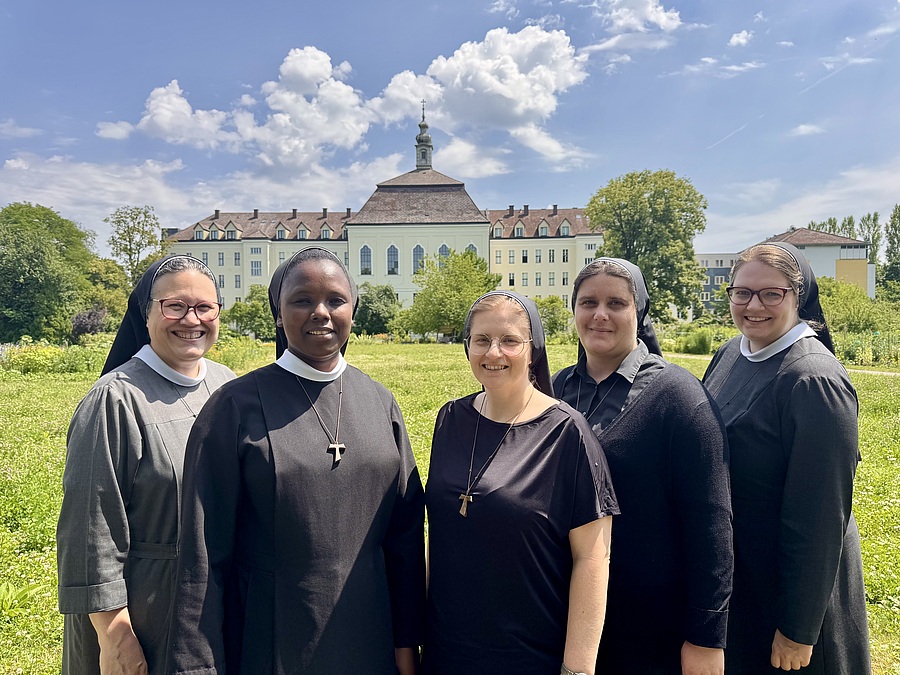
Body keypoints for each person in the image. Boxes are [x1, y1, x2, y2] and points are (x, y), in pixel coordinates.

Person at [168, 246, 425, 674]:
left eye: (335, 300)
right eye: (302, 300)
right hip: (272, 639)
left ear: (352, 311)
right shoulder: (234, 406)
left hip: (370, 634)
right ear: (278, 313)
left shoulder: (380, 402)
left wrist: (406, 641)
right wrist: (196, 664)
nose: (320, 312)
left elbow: (404, 539)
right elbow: (203, 553)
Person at [553, 258, 733, 675]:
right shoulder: (556, 388)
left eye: (616, 303)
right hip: (567, 610)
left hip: (649, 622)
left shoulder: (680, 398)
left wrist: (706, 638)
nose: (600, 314)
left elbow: (712, 524)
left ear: (639, 312)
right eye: (588, 302)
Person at [423, 290, 618, 675]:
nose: (493, 353)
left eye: (510, 340)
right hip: (448, 652)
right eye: (481, 340)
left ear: (533, 350)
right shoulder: (450, 419)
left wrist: (578, 669)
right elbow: (440, 535)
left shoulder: (566, 433)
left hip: (528, 656)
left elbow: (593, 558)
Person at [57, 256, 235, 675]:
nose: (191, 319)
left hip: (211, 606)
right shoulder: (115, 400)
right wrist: (115, 635)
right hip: (144, 610)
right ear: (147, 311)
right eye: (175, 305)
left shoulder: (227, 385)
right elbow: (90, 527)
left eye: (204, 308)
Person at [702, 243, 871, 674]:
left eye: (770, 294)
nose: (753, 305)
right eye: (741, 293)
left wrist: (799, 626)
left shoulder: (813, 380)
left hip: (793, 590)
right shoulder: (729, 354)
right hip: (748, 578)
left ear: (799, 297)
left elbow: (820, 516)